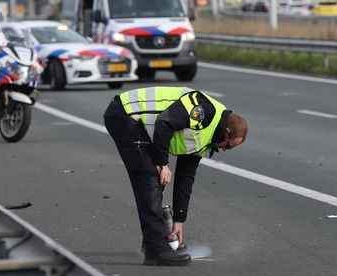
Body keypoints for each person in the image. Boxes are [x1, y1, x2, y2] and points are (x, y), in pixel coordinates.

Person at [104, 86, 248, 266]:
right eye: (228, 146)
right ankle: (156, 250)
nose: (223, 150)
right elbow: (164, 122)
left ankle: (156, 239)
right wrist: (162, 163)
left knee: (154, 181)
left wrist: (179, 221)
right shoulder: (204, 110)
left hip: (137, 123)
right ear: (227, 132)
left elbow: (185, 178)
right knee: (150, 178)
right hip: (125, 114)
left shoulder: (207, 138)